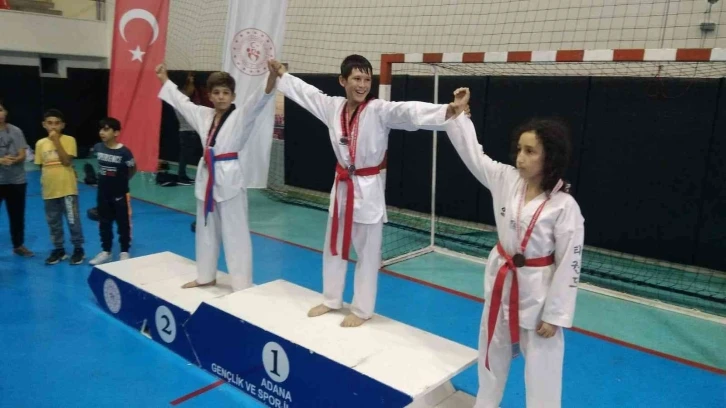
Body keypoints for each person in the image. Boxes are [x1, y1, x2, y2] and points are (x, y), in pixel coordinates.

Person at [268, 55, 461, 327]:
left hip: (368, 188)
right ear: (342, 80)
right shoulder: (332, 107)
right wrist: (281, 74)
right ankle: (331, 299)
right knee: (333, 246)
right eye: (357, 79)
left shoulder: (378, 110)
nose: (362, 85)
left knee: (368, 254)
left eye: (367, 79)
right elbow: (307, 93)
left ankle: (361, 309)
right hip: (342, 186)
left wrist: (447, 110)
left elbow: (408, 112)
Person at [443, 88, 585, 408]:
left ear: (550, 156)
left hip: (538, 294)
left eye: (530, 151)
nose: (520, 157)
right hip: (501, 283)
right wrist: (461, 117)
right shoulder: (506, 180)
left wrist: (555, 314)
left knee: (543, 370)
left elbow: (569, 264)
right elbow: (475, 156)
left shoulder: (564, 206)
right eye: (519, 149)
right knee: (490, 356)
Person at [155, 63, 278, 291]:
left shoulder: (241, 115)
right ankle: (205, 276)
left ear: (233, 96)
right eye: (217, 92)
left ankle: (241, 285)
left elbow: (260, 98)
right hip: (207, 176)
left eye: (226, 93)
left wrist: (271, 76)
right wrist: (164, 78)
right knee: (205, 231)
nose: (221, 97)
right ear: (210, 96)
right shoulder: (204, 115)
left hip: (229, 176)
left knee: (235, 234)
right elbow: (182, 103)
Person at [35, 109, 85, 265]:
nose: (53, 127)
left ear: (63, 125)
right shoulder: (40, 144)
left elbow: (66, 161)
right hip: (49, 191)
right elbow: (41, 166)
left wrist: (56, 141)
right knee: (53, 222)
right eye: (50, 123)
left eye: (57, 123)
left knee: (73, 220)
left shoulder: (69, 140)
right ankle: (59, 249)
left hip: (67, 189)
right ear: (44, 125)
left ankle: (78, 248)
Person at [88, 117, 136, 265]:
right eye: (101, 129)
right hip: (103, 193)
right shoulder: (98, 148)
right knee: (104, 223)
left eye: (106, 129)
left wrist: (122, 182)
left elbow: (132, 169)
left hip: (120, 194)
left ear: (116, 133)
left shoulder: (124, 152)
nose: (102, 132)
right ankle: (106, 252)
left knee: (123, 223)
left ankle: (124, 251)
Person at [0, 98, 33, 257]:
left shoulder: (16, 131)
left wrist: (15, 159)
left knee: (17, 215)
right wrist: (1, 160)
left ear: (6, 112)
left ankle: (18, 245)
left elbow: (22, 153)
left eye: (1, 110)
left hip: (17, 180)